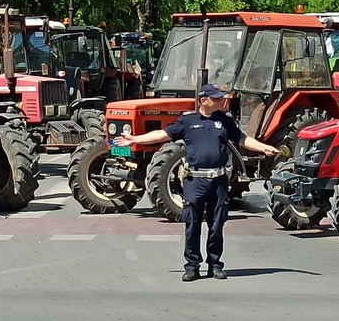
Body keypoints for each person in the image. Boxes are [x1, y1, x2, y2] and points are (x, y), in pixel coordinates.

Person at [113, 84, 279, 282]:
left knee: (217, 225)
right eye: (216, 99)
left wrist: (264, 148)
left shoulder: (225, 121)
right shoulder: (187, 121)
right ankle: (192, 266)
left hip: (218, 181)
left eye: (221, 99)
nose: (221, 101)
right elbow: (162, 134)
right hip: (195, 180)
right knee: (192, 224)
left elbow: (242, 140)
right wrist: (134, 139)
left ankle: (215, 265)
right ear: (203, 100)